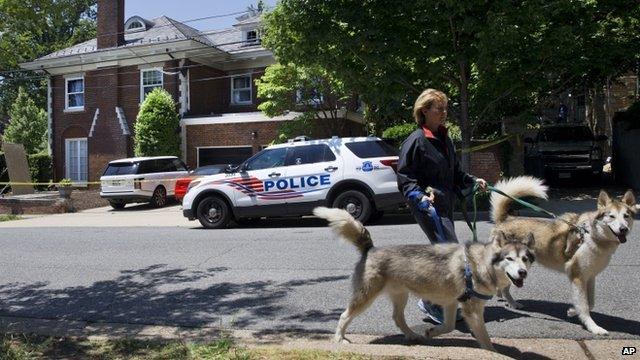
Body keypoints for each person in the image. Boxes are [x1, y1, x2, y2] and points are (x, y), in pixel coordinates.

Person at [397, 88, 487, 324]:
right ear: (424, 111)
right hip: (429, 207)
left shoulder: (445, 139)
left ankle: (436, 301)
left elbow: (455, 173)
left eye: (446, 108)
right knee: (450, 255)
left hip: (445, 205)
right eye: (439, 109)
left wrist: (472, 180)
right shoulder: (416, 141)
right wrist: (418, 196)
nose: (444, 113)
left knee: (447, 256)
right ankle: (431, 303)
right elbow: (405, 178)